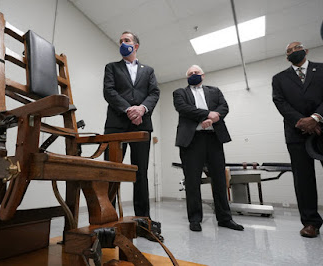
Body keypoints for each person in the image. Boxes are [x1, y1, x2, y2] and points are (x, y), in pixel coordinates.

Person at [173, 65, 244, 232]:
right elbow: (183, 108)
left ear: (203, 75)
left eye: (196, 72)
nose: (194, 75)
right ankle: (195, 219)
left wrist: (212, 120)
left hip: (214, 139)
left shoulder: (215, 91)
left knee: (219, 179)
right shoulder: (180, 92)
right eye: (190, 73)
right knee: (192, 181)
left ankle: (225, 218)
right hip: (191, 141)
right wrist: (207, 115)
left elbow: (224, 107)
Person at [103, 31, 160, 222]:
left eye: (126, 40)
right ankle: (107, 219)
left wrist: (142, 109)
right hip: (116, 126)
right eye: (120, 41)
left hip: (141, 125)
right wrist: (129, 110)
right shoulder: (111, 67)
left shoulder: (148, 70)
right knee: (111, 171)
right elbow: (109, 92)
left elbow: (154, 93)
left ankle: (143, 221)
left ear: (135, 46)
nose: (122, 43)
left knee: (140, 173)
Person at [272, 41, 323, 238]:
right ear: (286, 57)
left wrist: (316, 118)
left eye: (297, 48)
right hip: (296, 133)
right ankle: (311, 222)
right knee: (303, 180)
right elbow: (280, 102)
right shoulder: (279, 78)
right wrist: (302, 122)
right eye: (289, 51)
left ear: (306, 50)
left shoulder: (321, 69)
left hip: (321, 127)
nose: (294, 51)